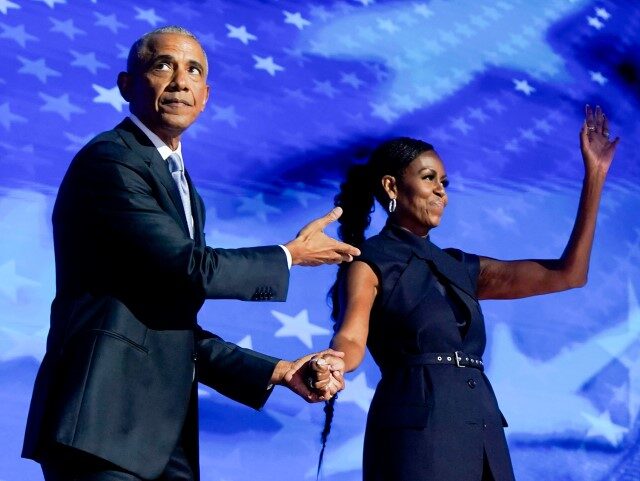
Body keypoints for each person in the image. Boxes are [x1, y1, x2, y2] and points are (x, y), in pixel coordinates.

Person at [21, 26, 356, 481]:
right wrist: (289, 255)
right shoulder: (111, 160)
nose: (180, 80)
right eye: (163, 65)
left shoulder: (183, 188)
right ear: (126, 85)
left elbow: (173, 327)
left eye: (193, 70)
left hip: (158, 437)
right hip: (102, 424)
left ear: (206, 94)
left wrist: (279, 371)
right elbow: (189, 268)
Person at [311, 105, 619, 480]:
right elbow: (350, 335)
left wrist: (596, 176)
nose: (441, 189)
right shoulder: (370, 260)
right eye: (429, 178)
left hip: (483, 432)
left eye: (444, 182)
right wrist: (336, 361)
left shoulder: (461, 267)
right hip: (416, 436)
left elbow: (570, 274)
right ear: (392, 186)